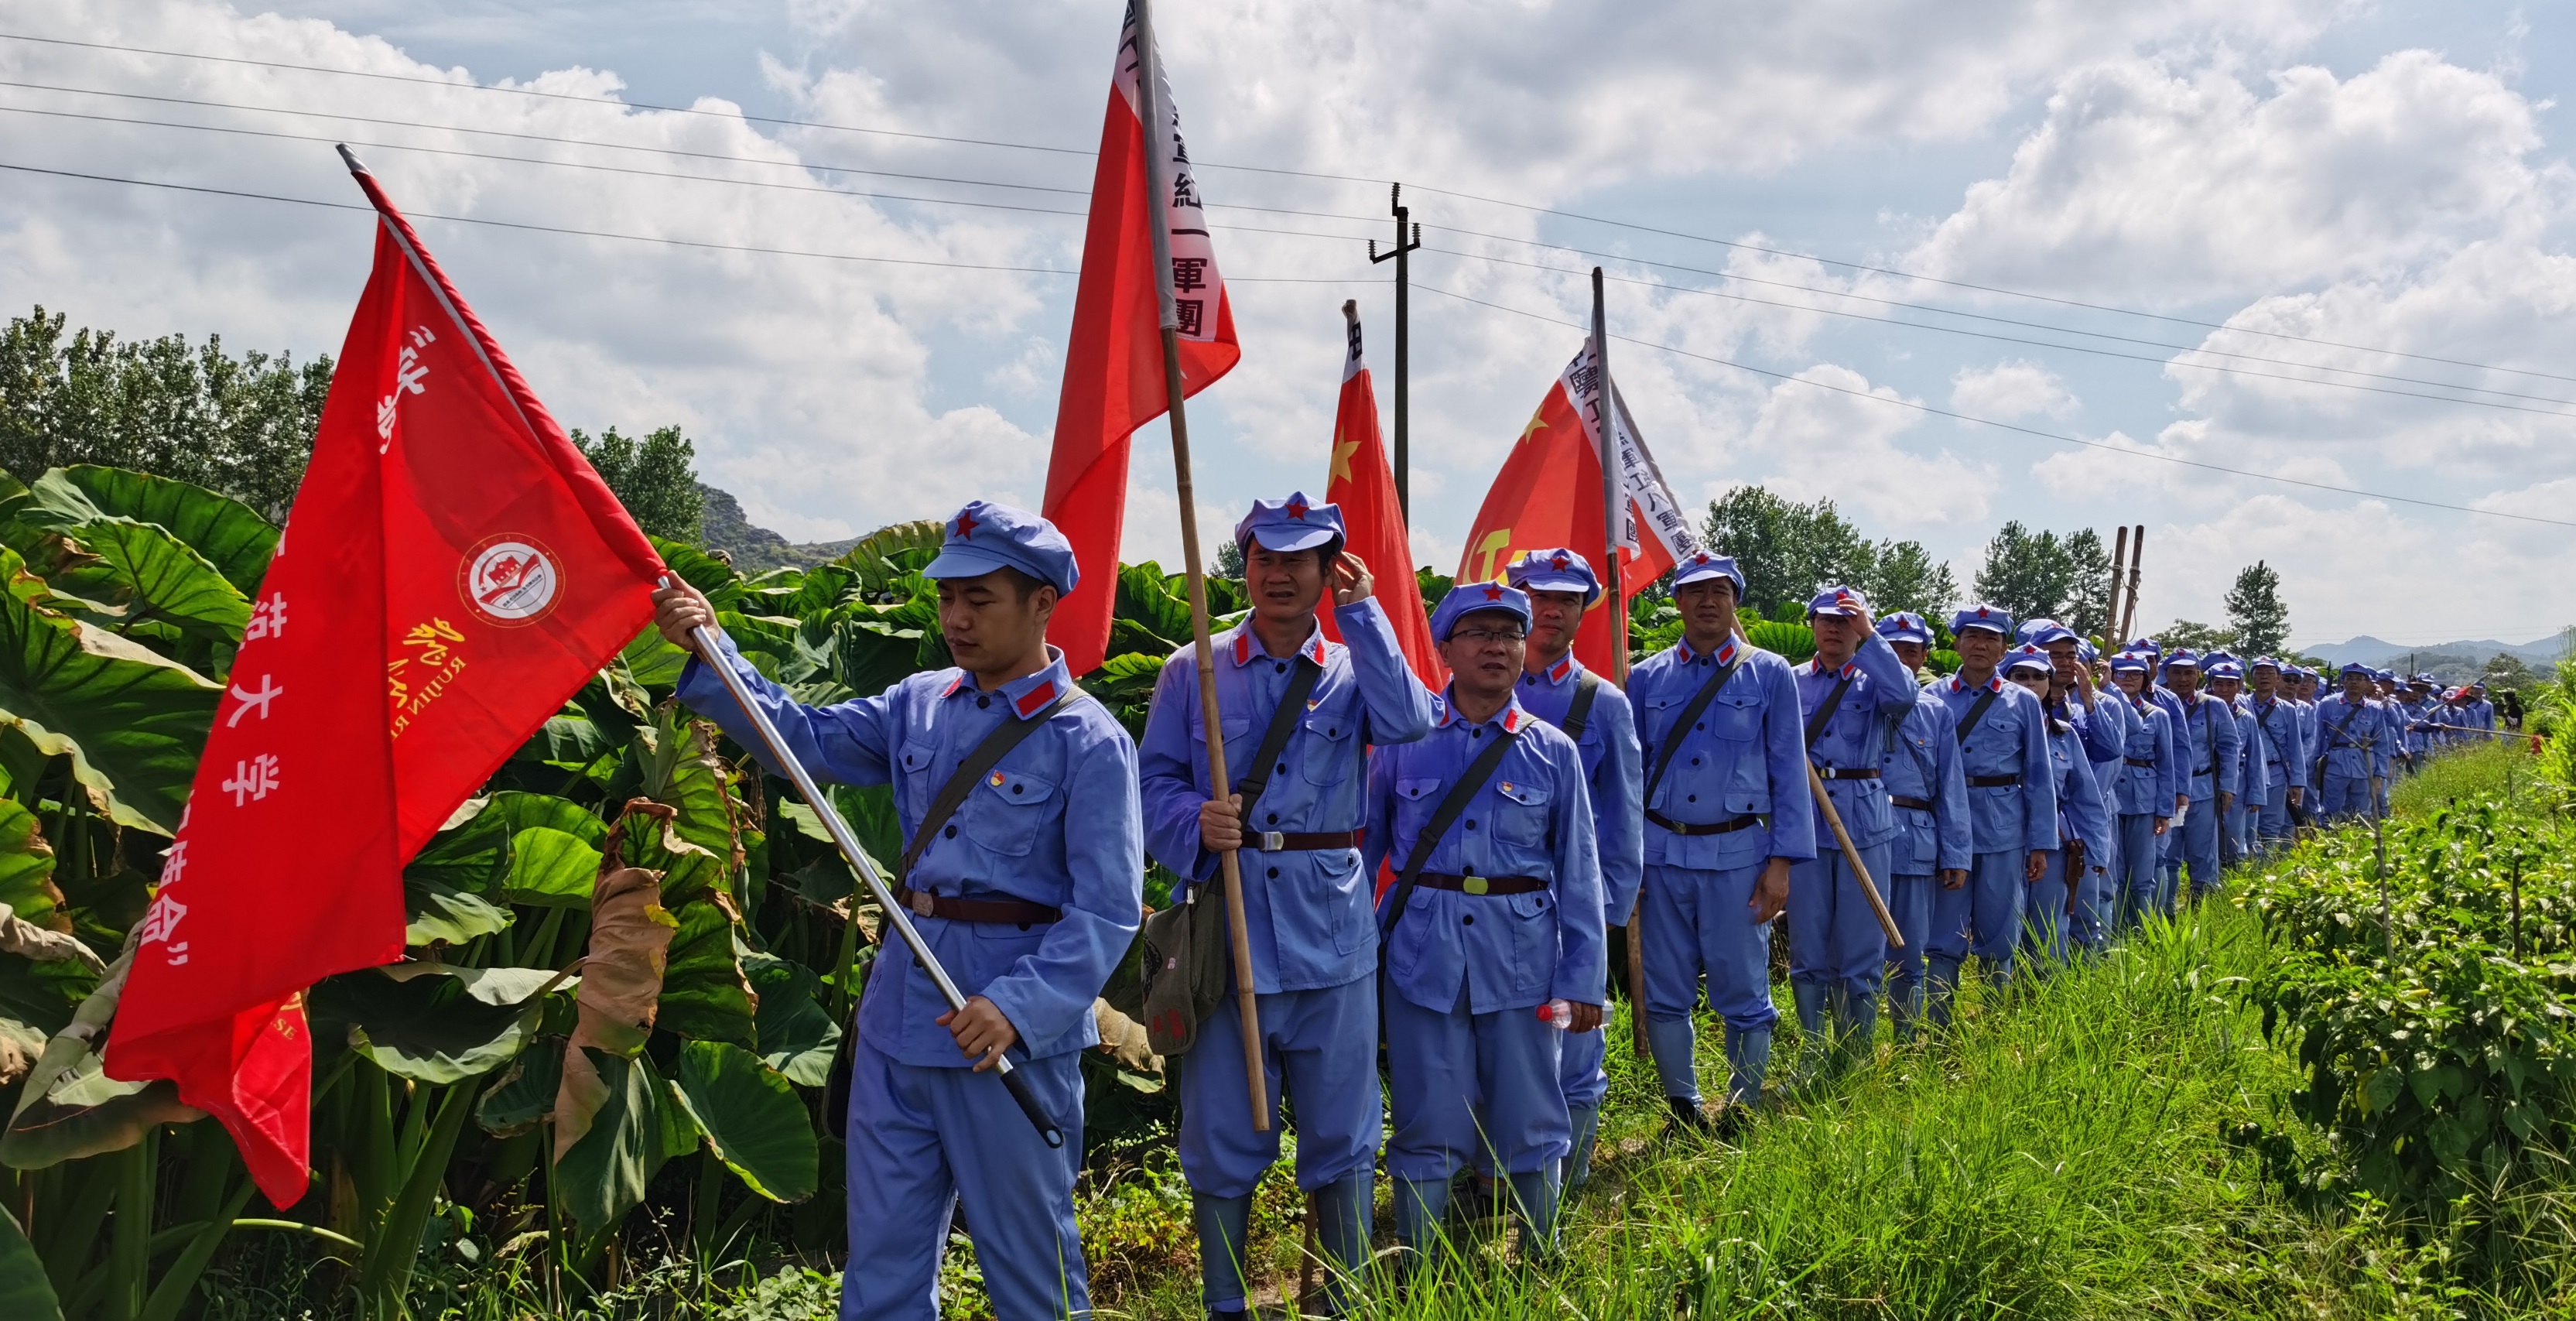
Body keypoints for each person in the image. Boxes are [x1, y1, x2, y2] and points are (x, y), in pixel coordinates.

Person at [653, 501, 1139, 1321]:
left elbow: (1107, 912)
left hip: (1000, 1039)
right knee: (882, 1267)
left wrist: (1016, 1009)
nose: (956, 618)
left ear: (1041, 602)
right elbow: (805, 742)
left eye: (978, 599)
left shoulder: (1087, 741)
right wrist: (714, 648)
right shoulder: (918, 702)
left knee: (1031, 1272)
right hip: (897, 1022)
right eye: (947, 597)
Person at [1134, 493, 1434, 1319]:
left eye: (1298, 560)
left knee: (1343, 1132)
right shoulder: (1192, 668)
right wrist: (1191, 822)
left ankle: (1343, 1299)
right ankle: (1225, 1302)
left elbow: (1411, 721)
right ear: (1246, 566)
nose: (1278, 574)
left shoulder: (1350, 668)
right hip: (1226, 933)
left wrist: (1364, 613)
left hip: (1332, 935)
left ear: (1326, 571)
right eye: (1264, 558)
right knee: (1221, 1135)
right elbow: (1151, 781)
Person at [1364, 582, 1603, 1262]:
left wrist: (1583, 978)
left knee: (1531, 1109)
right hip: (1421, 954)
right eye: (1478, 633)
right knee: (1426, 1112)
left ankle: (1540, 1252)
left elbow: (1580, 871)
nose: (1496, 647)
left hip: (1523, 956)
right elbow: (1364, 850)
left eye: (1508, 634)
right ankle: (1421, 1263)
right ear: (1445, 648)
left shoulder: (1551, 750)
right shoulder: (1404, 742)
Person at [1627, 552, 1814, 1128]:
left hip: (1739, 857)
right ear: (1678, 601)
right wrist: (1626, 862)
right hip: (1660, 856)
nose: (1708, 601)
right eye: (1695, 591)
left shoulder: (1770, 673)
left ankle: (1741, 1104)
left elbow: (1788, 771)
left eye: (1720, 591)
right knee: (1664, 989)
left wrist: (1781, 864)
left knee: (1743, 987)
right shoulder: (1645, 677)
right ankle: (1683, 1108)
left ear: (1735, 602)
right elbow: (1629, 777)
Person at [1501, 548, 1640, 1193]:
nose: (1550, 610)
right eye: (1538, 595)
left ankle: (1571, 1182)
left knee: (1577, 1048)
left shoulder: (1602, 702)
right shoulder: (1479, 688)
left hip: (1570, 908)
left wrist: (1607, 913)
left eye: (1566, 599)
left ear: (1584, 611)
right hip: (1493, 907)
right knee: (1501, 1048)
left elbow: (1623, 815)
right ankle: (1500, 1177)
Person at [1787, 587, 1915, 1076]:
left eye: (1846, 621)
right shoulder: (1790, 681)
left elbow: (1904, 697)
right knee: (1808, 948)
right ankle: (1812, 1053)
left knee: (1861, 948)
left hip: (1865, 824)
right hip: (1806, 823)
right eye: (1826, 619)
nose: (1835, 629)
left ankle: (1854, 1058)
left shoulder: (1874, 680)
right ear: (1812, 625)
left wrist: (1872, 635)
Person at [1926, 604, 2055, 1017]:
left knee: (2000, 931)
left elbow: (2039, 776)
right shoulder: (1933, 697)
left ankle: (1995, 1021)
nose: (1980, 645)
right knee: (1943, 933)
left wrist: (2040, 843)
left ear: (2003, 650)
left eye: (1991, 638)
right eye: (1972, 636)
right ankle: (1939, 1027)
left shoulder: (2023, 702)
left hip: (2003, 828)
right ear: (1957, 644)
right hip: (1946, 827)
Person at [1873, 613, 1969, 1038]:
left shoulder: (1937, 712)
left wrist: (1956, 854)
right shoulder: (1852, 700)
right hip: (1858, 837)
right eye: (1891, 649)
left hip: (1915, 841)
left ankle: (1906, 1042)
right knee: (1849, 952)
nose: (1900, 658)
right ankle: (1849, 1046)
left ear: (1924, 657)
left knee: (1909, 953)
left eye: (1910, 651)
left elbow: (1951, 787)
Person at [2001, 645, 2109, 965]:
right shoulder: (1990, 733)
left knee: (2049, 926)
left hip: (2055, 843)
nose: (2030, 683)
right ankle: (2000, 992)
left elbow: (2086, 797)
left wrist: (2097, 849)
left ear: (2050, 683)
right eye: (2021, 676)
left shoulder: (2064, 734)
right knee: (2002, 928)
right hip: (2000, 837)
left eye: (2039, 676)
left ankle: (2048, 988)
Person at [2155, 650, 2238, 908]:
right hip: (2165, 792)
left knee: (2203, 852)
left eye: (2189, 672)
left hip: (2202, 789)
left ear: (2199, 675)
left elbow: (2230, 746)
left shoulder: (2213, 706)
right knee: (2167, 854)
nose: (2183, 679)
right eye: (2177, 672)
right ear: (2166, 674)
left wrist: (2228, 786)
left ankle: (2204, 907)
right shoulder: (2157, 703)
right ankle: (2166, 908)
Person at [2102, 654, 2177, 930]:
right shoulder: (2104, 708)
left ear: (2145, 679)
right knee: (2115, 871)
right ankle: (2116, 931)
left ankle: (2144, 930)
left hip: (2144, 798)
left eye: (2135, 674)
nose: (2128, 679)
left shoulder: (2157, 715)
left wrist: (2165, 810)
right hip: (2111, 795)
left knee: (2143, 873)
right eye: (2121, 674)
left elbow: (2167, 764)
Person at [2205, 660, 2266, 871]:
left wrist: (2256, 794)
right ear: (2211, 685)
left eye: (2230, 684)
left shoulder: (2245, 717)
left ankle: (2235, 875)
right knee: (2206, 835)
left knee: (2234, 835)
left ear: (2240, 686)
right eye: (2219, 684)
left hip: (2238, 783)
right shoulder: (2201, 711)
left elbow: (2256, 758)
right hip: (2205, 779)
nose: (2224, 689)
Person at [2245, 659, 2306, 854]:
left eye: (2270, 673)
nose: (2264, 677)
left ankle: (2268, 866)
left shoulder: (2287, 709)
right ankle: (2248, 867)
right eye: (2259, 673)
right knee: (2247, 827)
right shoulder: (2241, 704)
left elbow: (2295, 748)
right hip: (2247, 774)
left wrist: (2297, 782)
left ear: (2278, 678)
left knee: (2271, 828)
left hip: (2275, 774)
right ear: (2251, 678)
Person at [2311, 663, 2383, 823]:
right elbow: (2317, 738)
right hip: (2336, 765)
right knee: (2332, 812)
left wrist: (2380, 774)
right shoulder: (2328, 704)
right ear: (2343, 682)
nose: (2354, 682)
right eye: (2349, 678)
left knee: (2361, 813)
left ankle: (2358, 838)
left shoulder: (2374, 708)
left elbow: (2382, 743)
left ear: (2367, 684)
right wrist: (2315, 767)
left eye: (2359, 679)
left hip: (2365, 766)